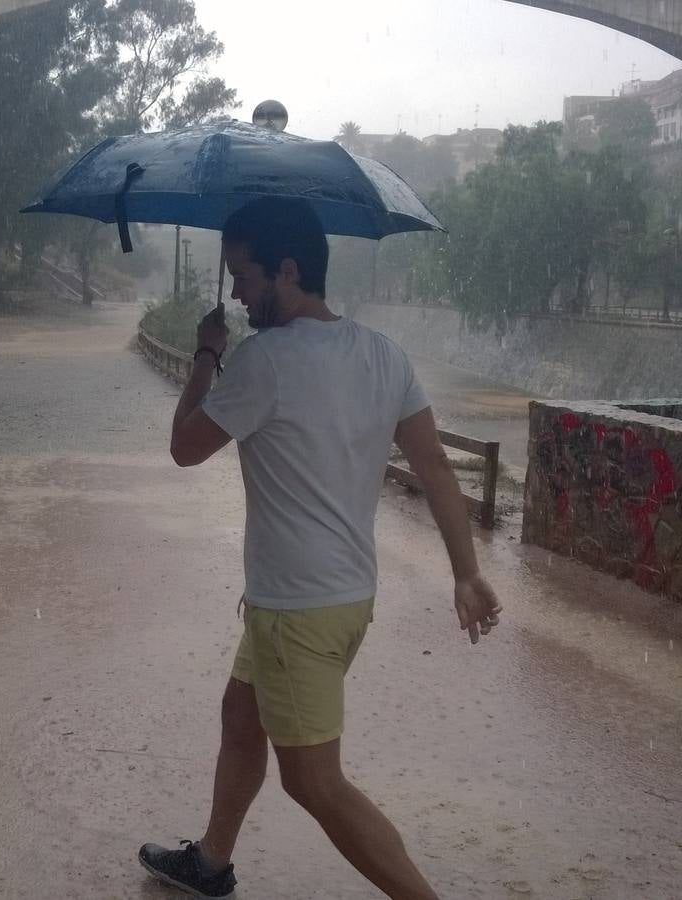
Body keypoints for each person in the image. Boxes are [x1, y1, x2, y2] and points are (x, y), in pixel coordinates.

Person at [139, 198, 502, 899]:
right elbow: (433, 466)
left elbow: (185, 447)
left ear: (288, 269)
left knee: (314, 782)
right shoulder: (382, 354)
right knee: (241, 717)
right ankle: (212, 862)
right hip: (342, 599)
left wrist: (206, 355)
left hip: (295, 612)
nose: (238, 293)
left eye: (244, 276)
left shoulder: (262, 361)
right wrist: (466, 573)